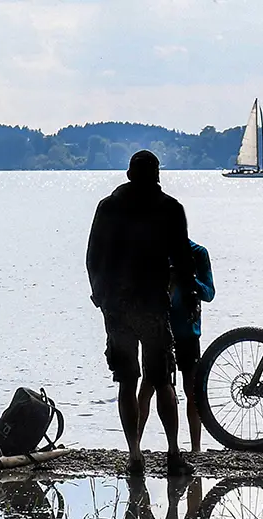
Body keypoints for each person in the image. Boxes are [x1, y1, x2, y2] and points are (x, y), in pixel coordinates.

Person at [86, 150, 197, 476]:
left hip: (118, 307)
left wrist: (100, 296)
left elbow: (93, 258)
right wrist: (187, 297)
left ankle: (135, 454)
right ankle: (174, 453)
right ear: (157, 174)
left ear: (129, 173)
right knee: (163, 380)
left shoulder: (108, 208)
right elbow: (183, 260)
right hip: (152, 305)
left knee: (127, 381)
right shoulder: (170, 209)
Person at [138, 240, 215, 453]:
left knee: (193, 391)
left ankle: (196, 449)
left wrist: (188, 280)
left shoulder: (198, 253)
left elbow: (209, 293)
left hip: (188, 333)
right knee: (147, 388)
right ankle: (134, 447)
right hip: (158, 330)